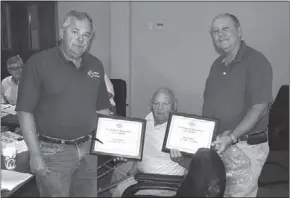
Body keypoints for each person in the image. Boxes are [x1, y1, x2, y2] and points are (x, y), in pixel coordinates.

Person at [16, 10, 111, 197]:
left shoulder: (96, 65)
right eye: (74, 32)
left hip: (88, 148)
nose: (80, 39)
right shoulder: (38, 63)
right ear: (62, 33)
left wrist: (118, 141)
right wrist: (35, 155)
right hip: (53, 152)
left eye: (86, 35)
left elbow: (102, 109)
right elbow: (24, 111)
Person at [203, 13, 273, 197]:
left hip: (244, 147)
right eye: (215, 31)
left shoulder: (256, 61)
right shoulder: (217, 65)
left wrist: (232, 137)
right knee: (220, 193)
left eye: (225, 28)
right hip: (221, 145)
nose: (220, 34)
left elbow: (259, 108)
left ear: (239, 31)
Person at [111, 88, 186, 197]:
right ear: (151, 104)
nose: (160, 108)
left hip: (161, 182)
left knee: (120, 189)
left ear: (174, 105)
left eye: (165, 104)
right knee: (117, 171)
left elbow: (192, 164)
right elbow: (143, 146)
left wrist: (181, 160)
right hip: (140, 173)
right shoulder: (148, 118)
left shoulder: (179, 128)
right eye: (156, 103)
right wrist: (127, 156)